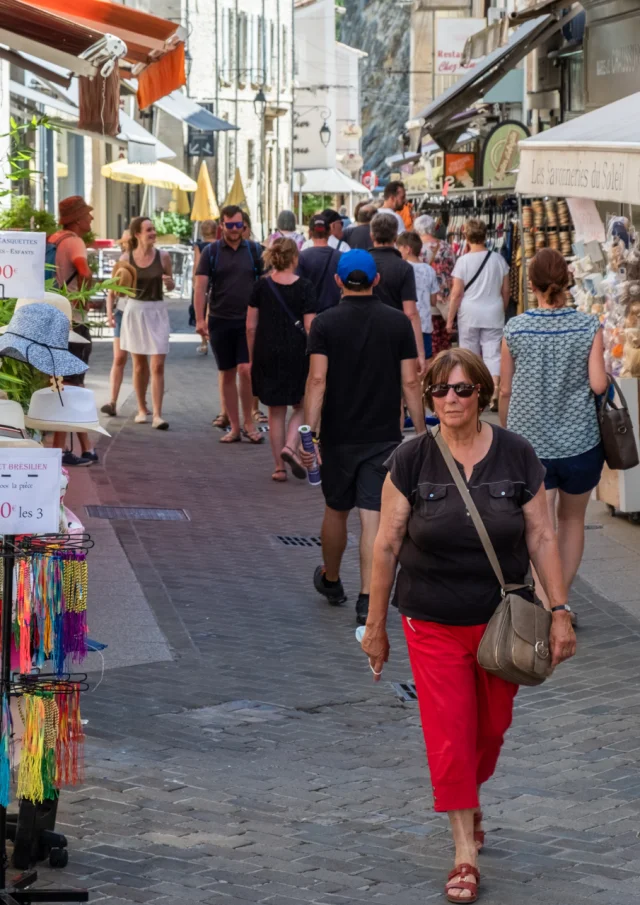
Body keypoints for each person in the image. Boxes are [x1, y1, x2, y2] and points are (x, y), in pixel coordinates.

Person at [362, 348, 576, 903]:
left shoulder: (516, 454)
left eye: (461, 390)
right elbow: (385, 544)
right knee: (450, 734)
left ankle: (469, 798)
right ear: (428, 398)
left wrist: (560, 609)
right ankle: (463, 850)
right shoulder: (410, 461)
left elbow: (542, 537)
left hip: (503, 620)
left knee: (490, 730)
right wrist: (375, 624)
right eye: (439, 391)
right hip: (430, 617)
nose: (449, 400)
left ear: (481, 392)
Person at [301, 250, 425, 626]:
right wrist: (421, 433)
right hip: (383, 434)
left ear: (338, 282)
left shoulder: (323, 324)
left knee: (336, 509)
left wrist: (311, 435)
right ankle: (367, 597)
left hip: (339, 434)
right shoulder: (398, 323)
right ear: (376, 280)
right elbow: (410, 381)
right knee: (373, 515)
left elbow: (317, 380)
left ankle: (332, 579)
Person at [500, 248, 608, 616]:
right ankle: (562, 601)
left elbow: (505, 389)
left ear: (530, 285)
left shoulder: (515, 328)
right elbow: (597, 384)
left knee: (539, 525)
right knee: (572, 520)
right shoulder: (588, 325)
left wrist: (504, 431)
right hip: (580, 442)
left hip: (531, 445)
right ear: (566, 282)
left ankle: (546, 603)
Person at [246, 239, 317, 482]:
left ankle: (278, 468)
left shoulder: (260, 286)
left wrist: (252, 354)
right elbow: (309, 326)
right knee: (303, 404)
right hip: (297, 353)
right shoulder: (306, 287)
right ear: (295, 259)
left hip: (266, 351)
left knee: (275, 412)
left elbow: (250, 326)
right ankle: (290, 445)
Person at [194, 205, 265, 444]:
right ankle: (234, 427)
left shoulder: (255, 251)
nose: (234, 230)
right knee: (226, 373)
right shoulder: (211, 252)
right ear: (221, 225)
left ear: (244, 226)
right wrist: (200, 319)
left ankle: (248, 422)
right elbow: (200, 287)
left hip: (249, 323)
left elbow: (267, 284)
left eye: (238, 225)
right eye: (229, 225)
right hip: (220, 320)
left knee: (246, 370)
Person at [49, 196, 96, 466]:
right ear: (77, 219)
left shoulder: (54, 239)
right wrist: (84, 296)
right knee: (70, 387)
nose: (91, 219)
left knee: (64, 384)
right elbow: (83, 269)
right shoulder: (75, 241)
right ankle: (60, 451)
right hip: (73, 321)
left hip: (53, 316)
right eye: (87, 215)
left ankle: (86, 448)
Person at [447, 218, 510, 410]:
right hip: (493, 311)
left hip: (469, 313)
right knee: (493, 353)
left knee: (469, 354)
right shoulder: (499, 260)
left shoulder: (462, 261)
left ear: (465, 236)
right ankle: (495, 390)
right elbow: (506, 291)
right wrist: (502, 308)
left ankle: (474, 392)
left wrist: (449, 319)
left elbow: (457, 293)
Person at [119, 216, 175, 430]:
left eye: (153, 229)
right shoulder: (126, 258)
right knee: (140, 364)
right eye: (148, 230)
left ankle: (158, 414)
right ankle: (142, 409)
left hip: (157, 310)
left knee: (158, 364)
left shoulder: (164, 257)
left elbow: (170, 286)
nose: (153, 233)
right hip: (136, 311)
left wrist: (170, 283)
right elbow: (120, 289)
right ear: (137, 234)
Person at [369, 213, 426, 376]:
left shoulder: (363, 262)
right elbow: (410, 313)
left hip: (364, 332)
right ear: (395, 237)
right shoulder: (404, 267)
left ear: (371, 235)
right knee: (395, 386)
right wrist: (419, 353)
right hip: (394, 335)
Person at [102, 229, 135, 418]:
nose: (127, 245)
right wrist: (110, 313)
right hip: (122, 312)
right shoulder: (123, 261)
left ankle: (142, 403)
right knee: (119, 358)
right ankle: (112, 401)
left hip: (139, 313)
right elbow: (111, 290)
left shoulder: (149, 259)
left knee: (139, 362)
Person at [414, 213, 455, 356]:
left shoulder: (417, 250)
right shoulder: (446, 246)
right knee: (444, 343)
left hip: (426, 300)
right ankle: (444, 371)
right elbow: (453, 272)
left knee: (430, 343)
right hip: (445, 301)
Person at [397, 231, 439, 366]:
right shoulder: (429, 270)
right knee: (425, 363)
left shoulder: (401, 268)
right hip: (425, 324)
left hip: (405, 323)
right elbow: (433, 301)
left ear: (407, 249)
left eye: (400, 248)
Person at [297, 214, 343, 312]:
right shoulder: (341, 256)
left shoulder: (302, 257)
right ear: (330, 232)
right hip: (336, 312)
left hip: (310, 314)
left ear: (309, 232)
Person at [192, 220, 218, 357]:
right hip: (217, 278)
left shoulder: (200, 246)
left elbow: (197, 264)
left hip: (203, 278)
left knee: (202, 308)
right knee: (212, 307)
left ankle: (204, 343)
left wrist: (194, 280)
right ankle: (213, 338)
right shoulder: (219, 244)